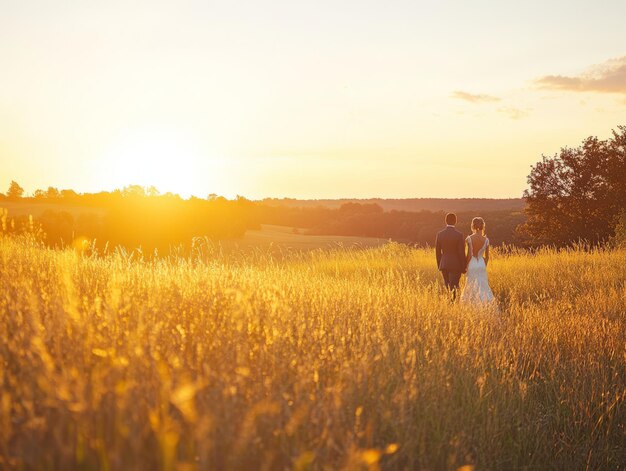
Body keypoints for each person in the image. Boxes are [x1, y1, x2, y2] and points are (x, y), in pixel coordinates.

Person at [460, 217, 495, 304]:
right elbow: (487, 257)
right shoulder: (486, 240)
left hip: (472, 264)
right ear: (483, 226)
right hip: (481, 264)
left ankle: (471, 304)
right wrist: (484, 265)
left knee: (470, 285)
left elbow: (469, 255)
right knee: (483, 286)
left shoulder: (469, 238)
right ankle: (485, 304)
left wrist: (465, 266)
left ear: (473, 226)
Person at [435, 212, 466, 301]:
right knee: (454, 286)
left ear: (446, 221)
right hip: (456, 265)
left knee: (448, 286)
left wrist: (439, 265)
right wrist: (463, 267)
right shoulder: (459, 235)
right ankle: (453, 304)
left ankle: (450, 303)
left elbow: (437, 252)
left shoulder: (440, 234)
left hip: (444, 264)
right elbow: (461, 252)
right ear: (455, 221)